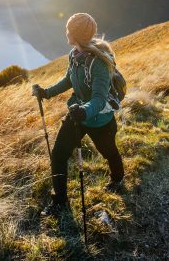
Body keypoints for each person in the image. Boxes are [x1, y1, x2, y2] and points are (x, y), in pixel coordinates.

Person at [32, 12, 125, 216]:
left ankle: (118, 179)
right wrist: (46, 93)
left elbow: (100, 99)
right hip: (77, 115)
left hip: (99, 119)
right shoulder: (74, 55)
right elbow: (68, 80)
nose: (66, 32)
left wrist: (85, 111)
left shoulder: (98, 63)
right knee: (58, 155)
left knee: (108, 152)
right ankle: (60, 201)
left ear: (75, 34)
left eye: (69, 30)